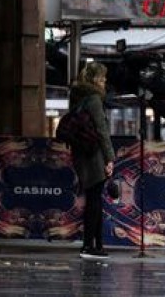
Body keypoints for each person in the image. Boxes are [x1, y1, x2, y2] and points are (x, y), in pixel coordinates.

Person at [69, 61, 116, 260]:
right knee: (95, 201)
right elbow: (102, 131)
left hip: (81, 153)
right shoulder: (94, 99)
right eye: (103, 78)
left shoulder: (77, 96)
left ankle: (95, 244)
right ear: (96, 79)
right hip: (94, 156)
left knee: (93, 198)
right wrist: (110, 158)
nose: (105, 82)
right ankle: (90, 245)